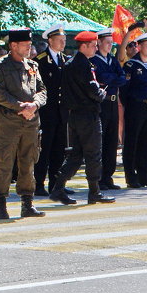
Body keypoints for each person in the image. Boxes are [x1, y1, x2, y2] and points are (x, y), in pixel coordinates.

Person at [50, 30, 115, 205]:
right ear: (84, 46)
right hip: (88, 115)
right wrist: (101, 93)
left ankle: (58, 188)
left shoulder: (71, 63)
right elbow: (93, 91)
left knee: (76, 155)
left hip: (76, 116)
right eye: (93, 45)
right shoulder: (83, 65)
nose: (95, 48)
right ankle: (94, 191)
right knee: (93, 154)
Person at [0, 28, 47, 219]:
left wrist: (35, 104)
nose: (30, 48)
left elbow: (42, 90)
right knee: (4, 160)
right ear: (13, 46)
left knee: (29, 159)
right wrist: (20, 106)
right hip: (10, 120)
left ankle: (27, 202)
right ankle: (1, 203)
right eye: (26, 45)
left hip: (31, 121)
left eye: (30, 44)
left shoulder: (32, 65)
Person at [91, 27, 130, 190]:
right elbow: (101, 78)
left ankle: (108, 176)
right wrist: (114, 78)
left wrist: (112, 78)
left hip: (114, 102)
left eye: (111, 42)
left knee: (111, 141)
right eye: (107, 42)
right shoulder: (94, 60)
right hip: (102, 102)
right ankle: (99, 177)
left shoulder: (112, 60)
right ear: (99, 42)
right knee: (100, 141)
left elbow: (123, 77)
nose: (110, 45)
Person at [33, 23, 70, 195]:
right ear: (50, 40)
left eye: (64, 40)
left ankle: (56, 184)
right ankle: (39, 183)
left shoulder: (65, 60)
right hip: (47, 112)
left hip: (61, 111)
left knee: (59, 149)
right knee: (44, 149)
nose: (63, 43)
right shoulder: (40, 61)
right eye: (59, 40)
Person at [121, 32, 147, 188]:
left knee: (145, 142)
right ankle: (131, 176)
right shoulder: (131, 65)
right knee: (132, 142)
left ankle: (144, 176)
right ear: (139, 47)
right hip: (135, 106)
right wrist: (130, 106)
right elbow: (124, 90)